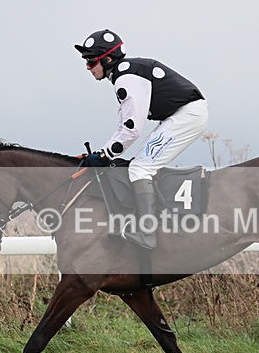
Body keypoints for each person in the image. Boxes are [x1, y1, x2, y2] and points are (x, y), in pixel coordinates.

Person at [75, 29, 208, 250]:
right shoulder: (123, 74)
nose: (88, 68)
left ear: (107, 59)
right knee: (141, 164)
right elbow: (124, 125)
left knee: (140, 168)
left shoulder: (126, 77)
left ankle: (147, 233)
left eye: (91, 62)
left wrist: (106, 155)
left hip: (187, 115)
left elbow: (131, 129)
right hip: (181, 114)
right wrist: (102, 153)